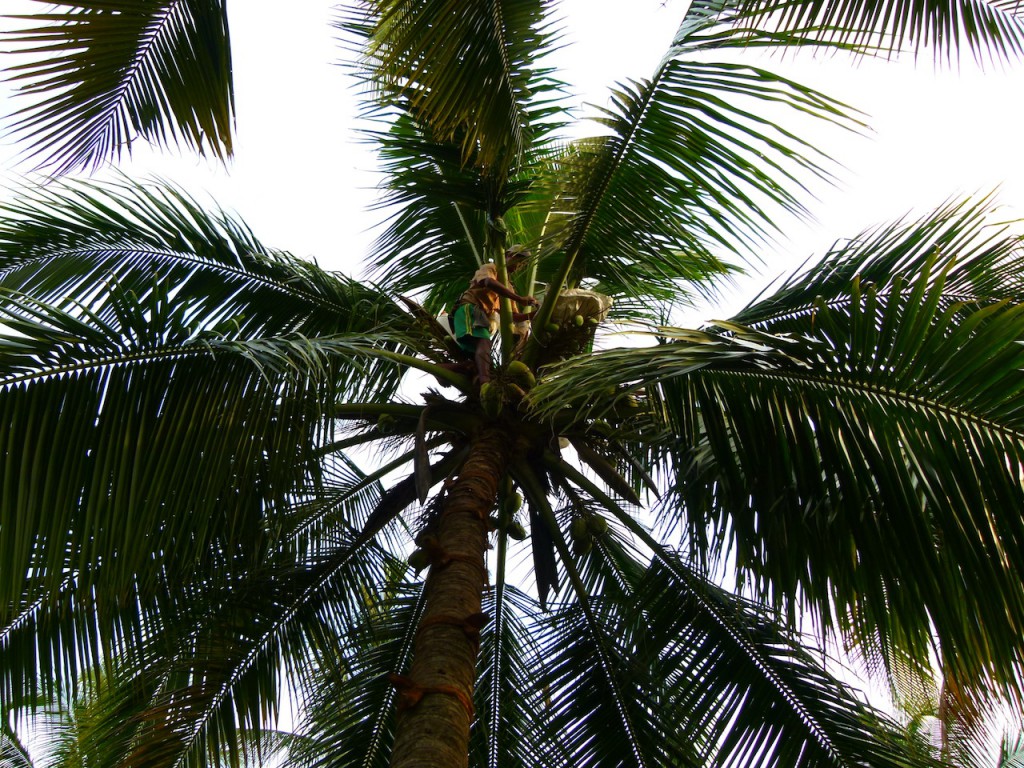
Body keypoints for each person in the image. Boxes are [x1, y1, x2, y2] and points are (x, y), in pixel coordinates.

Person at [447, 246, 538, 384]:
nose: (519, 266)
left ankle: (443, 369)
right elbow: (487, 282)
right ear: (508, 255)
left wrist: (534, 314)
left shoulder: (508, 287)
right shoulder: (490, 268)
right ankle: (485, 383)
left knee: (482, 364)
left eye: (523, 264)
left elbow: (513, 316)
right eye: (518, 260)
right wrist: (519, 299)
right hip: (470, 309)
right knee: (484, 343)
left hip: (480, 318)